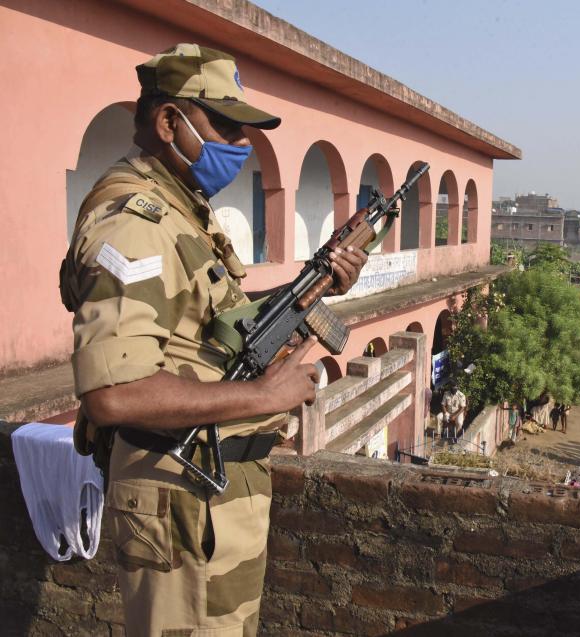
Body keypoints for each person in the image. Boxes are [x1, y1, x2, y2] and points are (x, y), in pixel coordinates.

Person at [60, 45, 369, 635]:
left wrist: (316, 282)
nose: (242, 142)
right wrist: (261, 397)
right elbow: (112, 395)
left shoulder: (182, 212)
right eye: (224, 125)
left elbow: (212, 328)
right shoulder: (135, 224)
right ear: (168, 122)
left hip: (210, 494)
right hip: (180, 500)